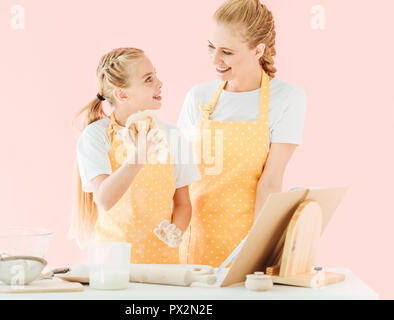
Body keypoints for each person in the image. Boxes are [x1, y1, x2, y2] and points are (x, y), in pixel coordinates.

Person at [177, 0, 307, 267]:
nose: (215, 60)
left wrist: (255, 255)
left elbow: (270, 182)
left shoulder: (287, 98)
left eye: (227, 52)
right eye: (211, 47)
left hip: (246, 241)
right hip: (193, 241)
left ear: (258, 50)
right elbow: (179, 176)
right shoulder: (198, 97)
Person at [71, 47, 200, 264]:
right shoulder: (96, 136)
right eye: (148, 79)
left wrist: (175, 231)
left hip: (162, 267)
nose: (160, 83)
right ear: (122, 94)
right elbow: (104, 198)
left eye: (155, 75)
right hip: (112, 268)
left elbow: (183, 203)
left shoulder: (173, 135)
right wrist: (140, 154)